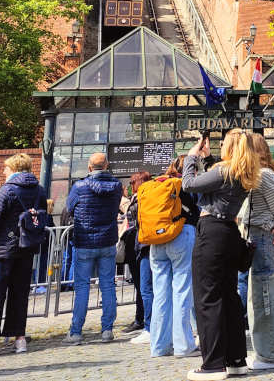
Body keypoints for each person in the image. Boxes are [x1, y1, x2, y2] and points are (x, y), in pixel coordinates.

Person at [182, 131, 255, 379]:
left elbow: (189, 184)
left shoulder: (224, 170)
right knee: (229, 297)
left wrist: (191, 158)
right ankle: (236, 359)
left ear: (230, 147)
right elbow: (212, 183)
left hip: (211, 233)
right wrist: (206, 159)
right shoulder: (243, 172)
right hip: (229, 233)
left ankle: (212, 364)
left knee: (207, 298)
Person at [0, 153, 47, 358]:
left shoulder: (7, 190)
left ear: (13, 168)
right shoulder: (39, 190)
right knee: (20, 294)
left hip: (4, 248)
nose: (3, 171)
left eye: (6, 168)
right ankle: (19, 339)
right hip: (27, 247)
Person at [239, 133, 274, 371]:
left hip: (262, 239)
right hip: (260, 237)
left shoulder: (263, 175)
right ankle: (267, 353)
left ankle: (270, 355)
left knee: (263, 298)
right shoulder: (260, 175)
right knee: (259, 297)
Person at [64, 152, 123, 344]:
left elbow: (69, 208)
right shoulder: (116, 187)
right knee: (107, 285)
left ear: (90, 168)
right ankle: (107, 330)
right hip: (107, 240)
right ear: (107, 166)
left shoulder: (79, 186)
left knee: (82, 287)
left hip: (85, 241)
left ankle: (76, 331)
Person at [143, 157, 199, 359]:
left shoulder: (158, 184)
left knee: (160, 294)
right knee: (182, 290)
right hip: (181, 236)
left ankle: (159, 346)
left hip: (156, 240)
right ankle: (183, 345)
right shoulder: (186, 185)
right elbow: (197, 208)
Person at [124, 171, 153, 343]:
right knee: (145, 286)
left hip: (140, 244)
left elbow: (134, 221)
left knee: (144, 286)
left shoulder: (139, 200)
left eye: (131, 182)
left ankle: (145, 322)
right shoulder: (151, 196)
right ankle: (143, 319)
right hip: (146, 244)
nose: (129, 186)